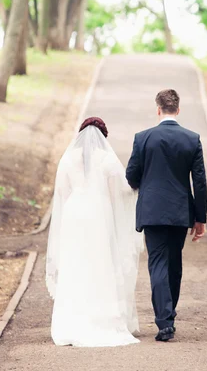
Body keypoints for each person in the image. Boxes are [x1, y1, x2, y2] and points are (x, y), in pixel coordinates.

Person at [46, 117, 142, 348]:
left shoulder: (68, 158)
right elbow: (118, 193)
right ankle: (103, 318)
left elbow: (61, 191)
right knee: (100, 263)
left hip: (74, 212)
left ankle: (71, 321)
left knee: (75, 263)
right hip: (98, 213)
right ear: (103, 137)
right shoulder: (107, 159)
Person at [126, 89, 207, 342]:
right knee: (174, 264)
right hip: (180, 211)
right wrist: (200, 219)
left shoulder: (143, 138)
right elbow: (200, 182)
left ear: (158, 109)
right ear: (178, 110)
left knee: (158, 263)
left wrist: (147, 185)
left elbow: (131, 175)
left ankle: (164, 320)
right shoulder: (192, 139)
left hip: (152, 211)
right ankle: (168, 316)